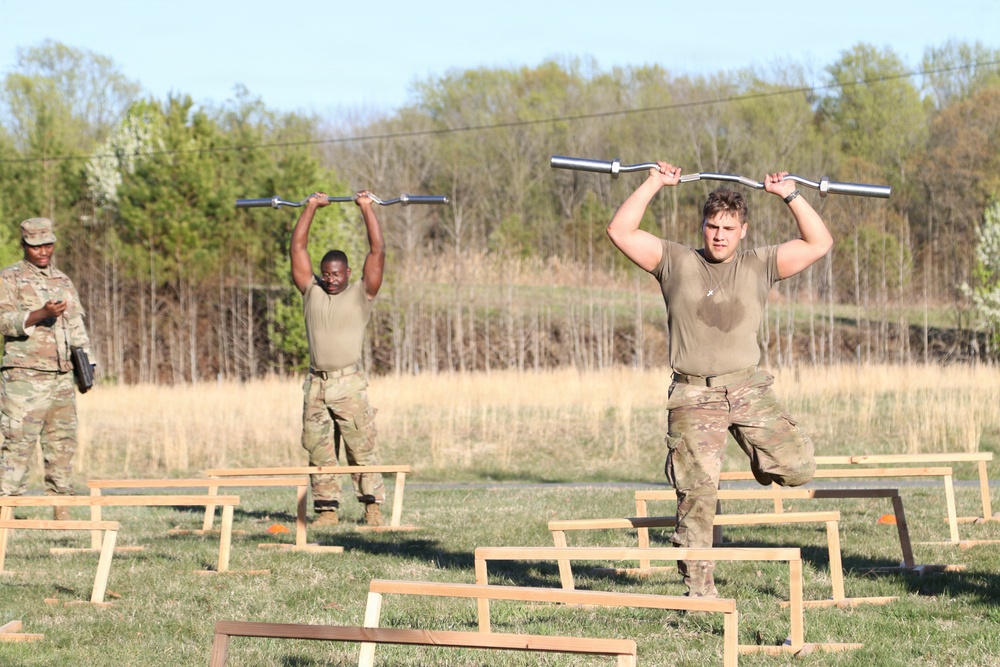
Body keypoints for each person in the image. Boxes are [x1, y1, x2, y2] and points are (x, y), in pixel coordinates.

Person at [607, 163, 831, 597]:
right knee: (697, 498)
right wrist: (655, 181)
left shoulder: (760, 264)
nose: (720, 235)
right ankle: (699, 594)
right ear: (703, 227)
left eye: (729, 227)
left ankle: (756, 454)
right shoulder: (675, 261)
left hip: (748, 388)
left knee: (799, 467)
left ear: (743, 230)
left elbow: (820, 242)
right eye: (713, 226)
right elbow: (620, 230)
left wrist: (789, 195)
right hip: (694, 395)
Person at [290, 191, 387, 527]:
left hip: (349, 384)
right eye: (326, 274)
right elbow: (298, 249)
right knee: (318, 451)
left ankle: (371, 507)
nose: (331, 279)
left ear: (347, 272)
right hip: (316, 384)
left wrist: (366, 209)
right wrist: (311, 208)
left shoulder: (363, 294)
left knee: (360, 448)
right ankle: (327, 510)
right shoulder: (310, 291)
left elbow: (377, 251)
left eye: (337, 274)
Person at [0, 217, 93, 520]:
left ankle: (62, 510)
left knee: (62, 444)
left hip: (61, 377)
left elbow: (76, 323)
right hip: (23, 377)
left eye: (48, 245)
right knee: (17, 444)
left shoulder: (63, 281)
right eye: (36, 246)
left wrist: (86, 366)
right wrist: (40, 313)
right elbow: (3, 321)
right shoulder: (9, 278)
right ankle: (7, 511)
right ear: (25, 245)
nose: (43, 251)